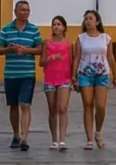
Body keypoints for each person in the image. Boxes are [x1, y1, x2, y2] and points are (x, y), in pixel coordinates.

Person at [0, 0, 45, 151]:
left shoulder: (34, 30)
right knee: (13, 105)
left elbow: (39, 49)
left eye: (27, 10)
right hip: (11, 73)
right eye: (22, 10)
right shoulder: (6, 29)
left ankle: (24, 138)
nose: (25, 12)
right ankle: (16, 135)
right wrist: (9, 50)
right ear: (15, 11)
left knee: (25, 104)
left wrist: (25, 50)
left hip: (27, 73)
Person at [75, 10, 116, 151]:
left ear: (97, 22)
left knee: (100, 106)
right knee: (87, 104)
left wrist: (115, 74)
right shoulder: (81, 38)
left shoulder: (105, 38)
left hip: (102, 74)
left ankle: (98, 131)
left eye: (90, 18)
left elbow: (110, 57)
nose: (88, 21)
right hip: (85, 74)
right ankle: (89, 139)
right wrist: (73, 76)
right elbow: (76, 58)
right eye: (86, 19)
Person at [43, 16, 74, 150]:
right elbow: (41, 62)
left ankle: (62, 139)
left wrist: (74, 77)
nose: (57, 27)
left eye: (59, 24)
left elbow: (72, 61)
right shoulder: (46, 42)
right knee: (52, 109)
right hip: (50, 79)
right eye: (54, 24)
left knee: (62, 108)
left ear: (64, 27)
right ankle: (54, 139)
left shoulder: (69, 44)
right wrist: (51, 57)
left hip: (65, 79)